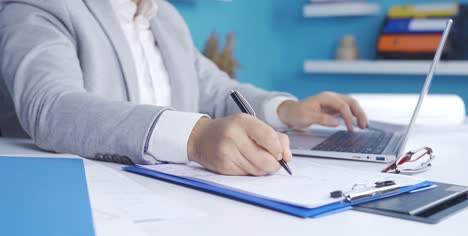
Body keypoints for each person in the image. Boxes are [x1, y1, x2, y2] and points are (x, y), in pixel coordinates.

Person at [0, 0, 368, 176]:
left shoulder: (165, 17)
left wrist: (284, 110)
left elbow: (214, 88)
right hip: (91, 207)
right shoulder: (40, 7)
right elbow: (51, 107)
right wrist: (194, 137)